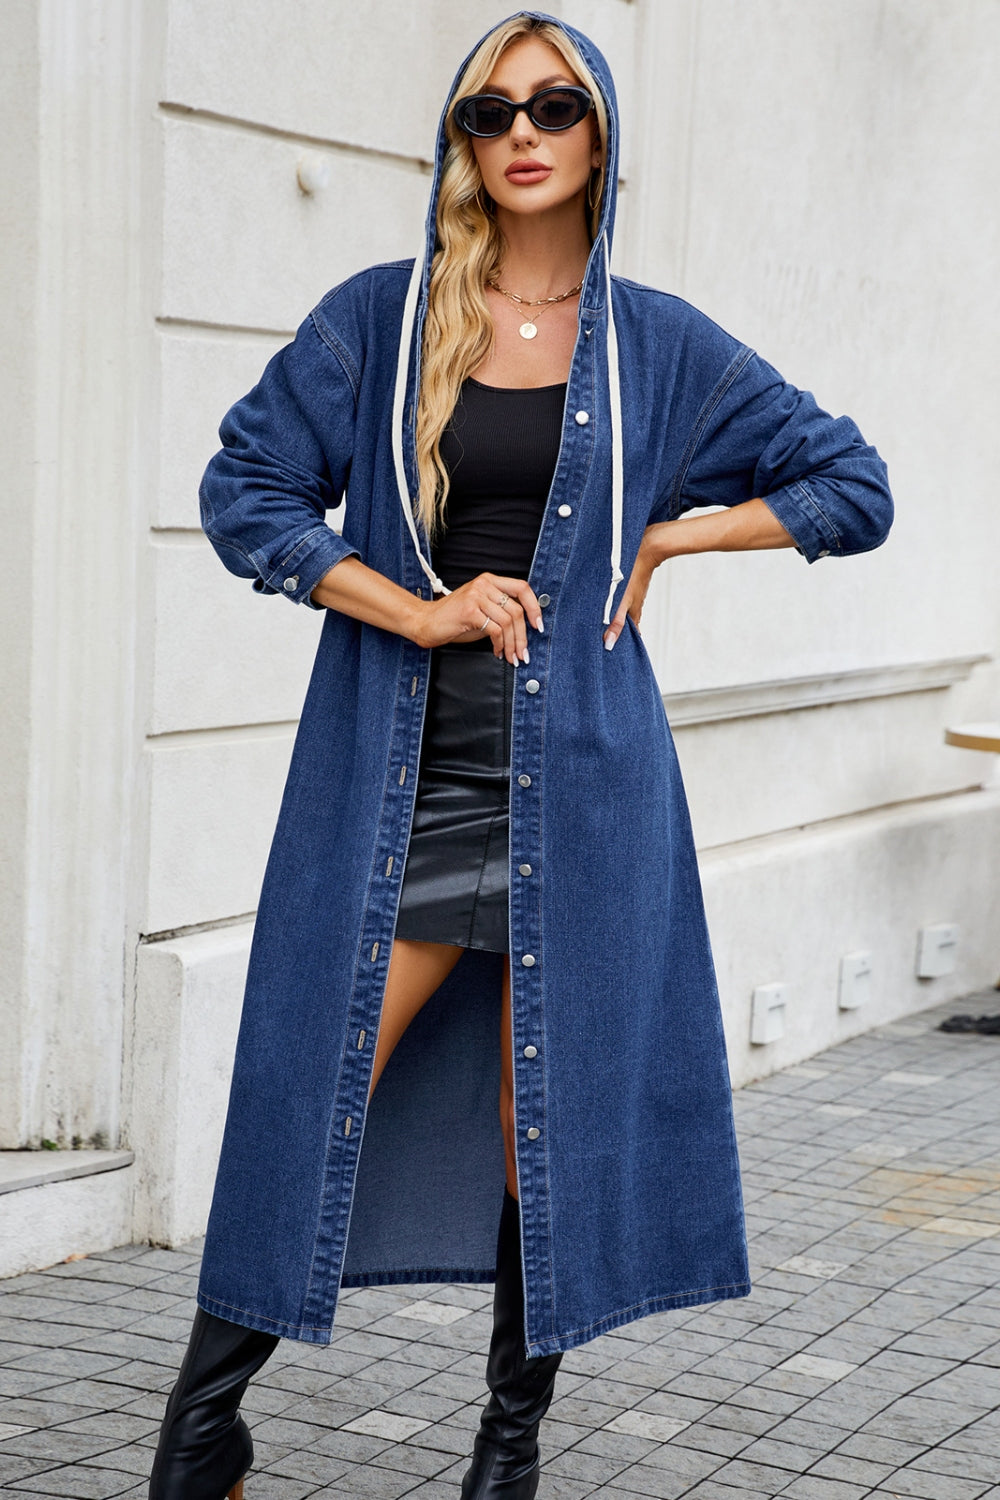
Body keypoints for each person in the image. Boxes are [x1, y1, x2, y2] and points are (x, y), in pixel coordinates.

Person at [147, 10, 893, 1499]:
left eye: (555, 106)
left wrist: (674, 532)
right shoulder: (383, 319)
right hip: (405, 785)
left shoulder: (658, 346)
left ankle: (508, 1452)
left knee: (528, 1124)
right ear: (462, 144)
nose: (523, 133)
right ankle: (203, 1428)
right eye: (491, 113)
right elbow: (247, 490)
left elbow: (851, 487)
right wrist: (418, 610)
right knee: (313, 1083)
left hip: (586, 794)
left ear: (601, 135)